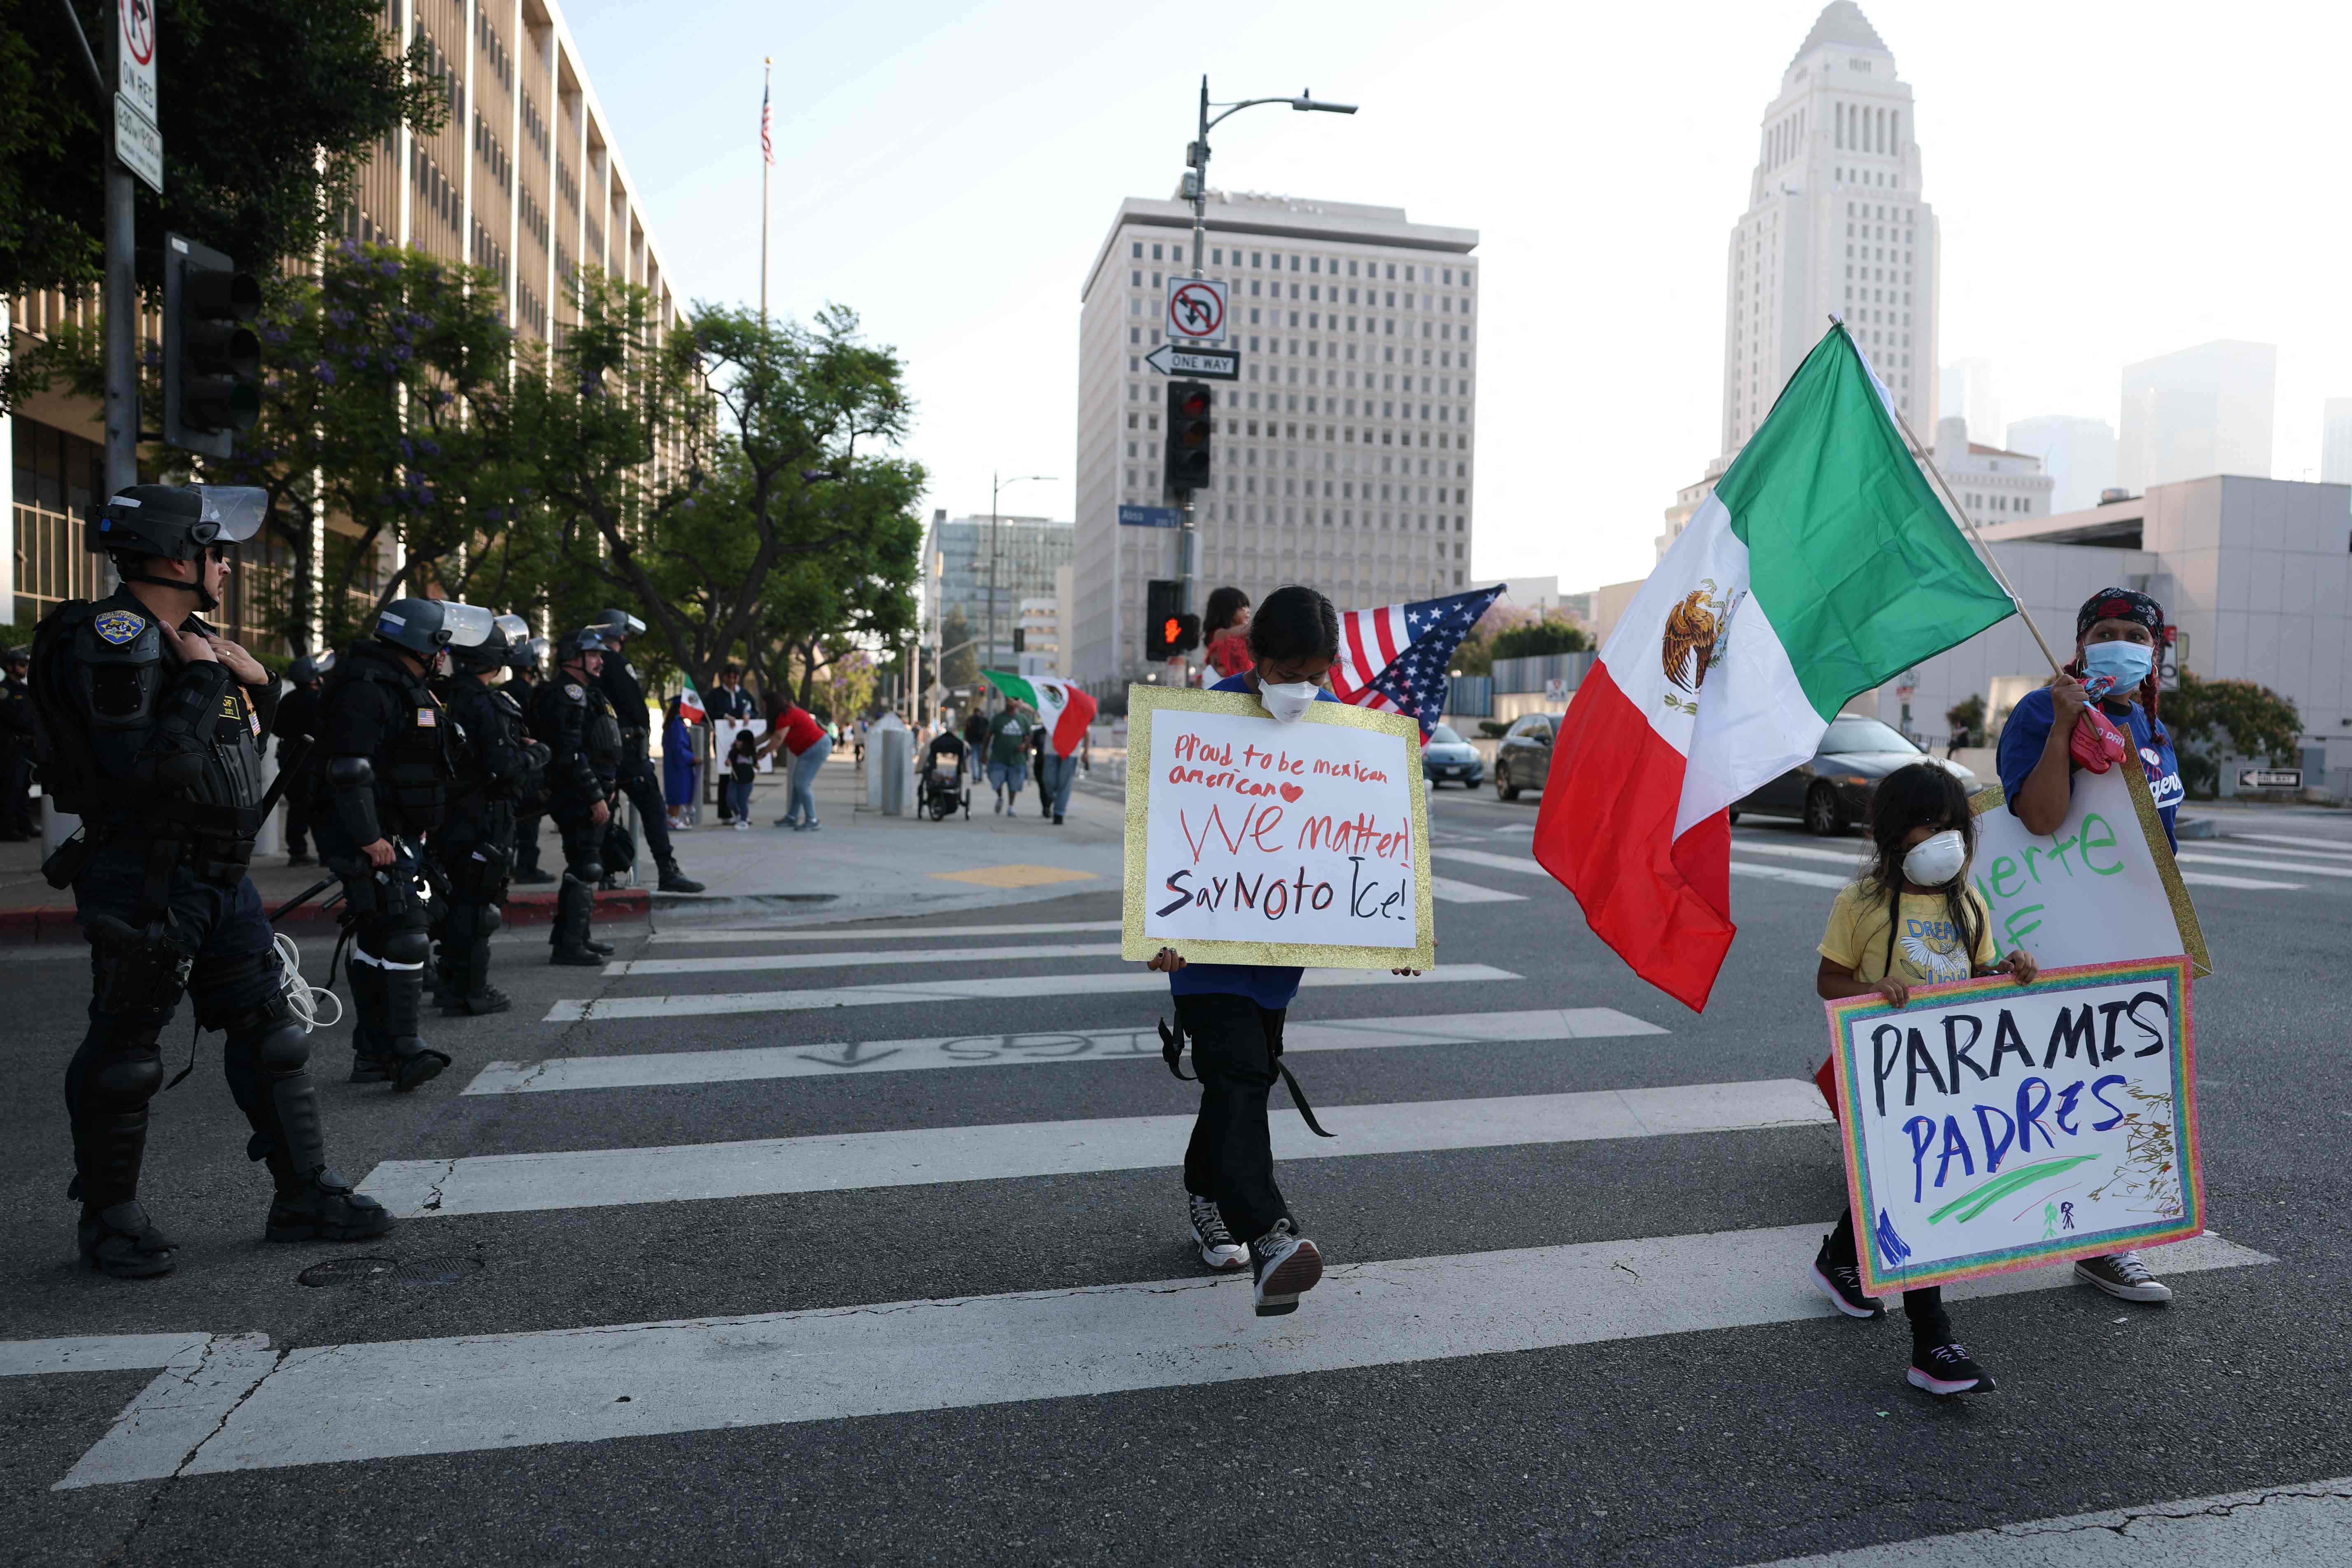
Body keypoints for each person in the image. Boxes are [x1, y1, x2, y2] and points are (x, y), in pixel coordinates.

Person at [30, 484, 390, 1275]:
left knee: (271, 1032)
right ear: (171, 556)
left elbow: (245, 745)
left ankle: (304, 1195)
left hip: (216, 876)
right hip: (146, 874)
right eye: (215, 550)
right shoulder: (115, 638)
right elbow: (145, 772)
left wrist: (255, 682)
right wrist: (200, 680)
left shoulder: (192, 638)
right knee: (127, 1047)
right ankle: (110, 1219)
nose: (227, 565)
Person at [1145, 585, 1422, 1317]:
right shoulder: (1200, 726)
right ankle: (1269, 1236)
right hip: (1204, 952)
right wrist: (1155, 931)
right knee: (1237, 1076)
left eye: (1314, 674)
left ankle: (1205, 1194)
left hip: (1276, 960)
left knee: (1241, 1080)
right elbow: (1163, 834)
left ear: (1331, 666)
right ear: (1253, 658)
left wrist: (1395, 927)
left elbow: (1366, 836)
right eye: (1283, 671)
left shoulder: (1347, 736)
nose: (1299, 688)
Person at [1807, 762, 2039, 1395]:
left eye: (1950, 825)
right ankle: (1931, 1337)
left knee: (1902, 1180)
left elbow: (1980, 975)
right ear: (1891, 834)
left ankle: (1839, 1258)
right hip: (1885, 1076)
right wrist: (1872, 990)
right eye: (1925, 825)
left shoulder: (1968, 903)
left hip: (1950, 1078)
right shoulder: (1861, 904)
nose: (1940, 838)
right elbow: (1829, 982)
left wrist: (2010, 971)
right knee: (1913, 1187)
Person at [1995, 585, 2184, 1305]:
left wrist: (2176, 934)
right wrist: (2060, 727)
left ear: (2154, 649)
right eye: (2103, 630)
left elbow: (2156, 845)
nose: (2118, 640)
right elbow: (2040, 820)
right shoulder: (2045, 710)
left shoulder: (2149, 723)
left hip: (2136, 944)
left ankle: (2101, 1242)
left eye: (2133, 632)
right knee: (2047, 1089)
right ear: (2079, 644)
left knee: (2119, 1091)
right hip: (2065, 937)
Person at [313, 597, 495, 1090]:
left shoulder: (402, 684)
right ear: (424, 644)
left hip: (397, 833)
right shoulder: (367, 687)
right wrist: (369, 836)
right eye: (441, 645)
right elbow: (350, 769)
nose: (446, 654)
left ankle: (373, 1055)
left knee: (378, 939)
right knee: (407, 930)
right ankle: (405, 1049)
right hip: (375, 836)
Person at [430, 614, 546, 1016]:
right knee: (477, 907)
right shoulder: (484, 703)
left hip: (447, 815)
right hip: (483, 817)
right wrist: (536, 753)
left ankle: (449, 985)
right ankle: (471, 992)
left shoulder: (441, 695)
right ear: (495, 660)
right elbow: (504, 767)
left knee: (457, 901)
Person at [584, 609, 705, 893]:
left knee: (605, 816)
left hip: (606, 757)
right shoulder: (617, 664)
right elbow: (635, 709)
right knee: (653, 814)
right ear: (620, 634)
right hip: (629, 757)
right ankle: (667, 870)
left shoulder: (590, 667)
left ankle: (602, 873)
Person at [533, 630, 626, 965]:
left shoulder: (583, 692)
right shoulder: (569, 694)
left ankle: (575, 936)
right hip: (577, 796)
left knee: (582, 864)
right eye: (594, 655)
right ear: (575, 657)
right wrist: (595, 796)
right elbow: (569, 755)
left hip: (584, 792)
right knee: (586, 865)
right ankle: (570, 946)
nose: (601, 661)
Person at [272, 652, 332, 865]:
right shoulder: (318, 700)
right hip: (313, 758)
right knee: (318, 806)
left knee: (296, 806)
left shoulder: (287, 699)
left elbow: (276, 727)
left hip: (289, 756)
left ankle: (297, 852)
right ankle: (326, 853)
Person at [506, 637, 554, 884]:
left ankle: (507, 866)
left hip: (509, 760)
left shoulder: (502, 689)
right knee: (529, 819)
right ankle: (526, 867)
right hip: (530, 762)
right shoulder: (532, 694)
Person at [764, 698, 831, 830]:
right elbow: (768, 736)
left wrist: (760, 754)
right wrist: (750, 745)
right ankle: (792, 817)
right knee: (798, 783)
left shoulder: (786, 715)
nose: (763, 709)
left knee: (802, 784)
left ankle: (812, 820)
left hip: (816, 747)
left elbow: (777, 740)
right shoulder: (783, 716)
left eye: (764, 705)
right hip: (811, 749)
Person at [985, 699, 1031, 813]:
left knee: (1014, 784)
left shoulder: (1023, 719)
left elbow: (1028, 737)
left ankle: (1011, 806)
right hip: (998, 757)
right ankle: (1000, 797)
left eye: (1015, 700)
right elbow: (988, 736)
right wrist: (983, 754)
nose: (1012, 703)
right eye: (1010, 700)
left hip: (1017, 759)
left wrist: (1024, 745)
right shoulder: (998, 718)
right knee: (996, 780)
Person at [662, 695, 697, 832]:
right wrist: (692, 758)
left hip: (674, 764)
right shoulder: (677, 725)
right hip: (678, 765)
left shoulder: (674, 723)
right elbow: (679, 747)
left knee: (676, 791)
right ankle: (673, 819)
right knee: (677, 792)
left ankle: (674, 818)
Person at [1203, 586, 1254, 680]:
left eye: (1247, 607)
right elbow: (1247, 629)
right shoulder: (1218, 634)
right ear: (1227, 610)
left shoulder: (1244, 637)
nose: (1248, 611)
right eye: (1243, 607)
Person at [721, 728, 759, 831]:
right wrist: (728, 762)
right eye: (737, 740)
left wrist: (757, 766)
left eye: (740, 741)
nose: (737, 742)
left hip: (747, 782)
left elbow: (755, 763)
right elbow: (728, 761)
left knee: (743, 802)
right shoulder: (734, 752)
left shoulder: (752, 753)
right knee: (731, 800)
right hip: (735, 780)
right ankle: (738, 814)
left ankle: (743, 820)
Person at [961, 706, 990, 785]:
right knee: (980, 759)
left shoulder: (970, 719)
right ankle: (980, 777)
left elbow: (966, 730)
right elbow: (988, 731)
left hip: (973, 742)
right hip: (982, 742)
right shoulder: (984, 719)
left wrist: (966, 740)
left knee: (974, 759)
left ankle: (975, 776)